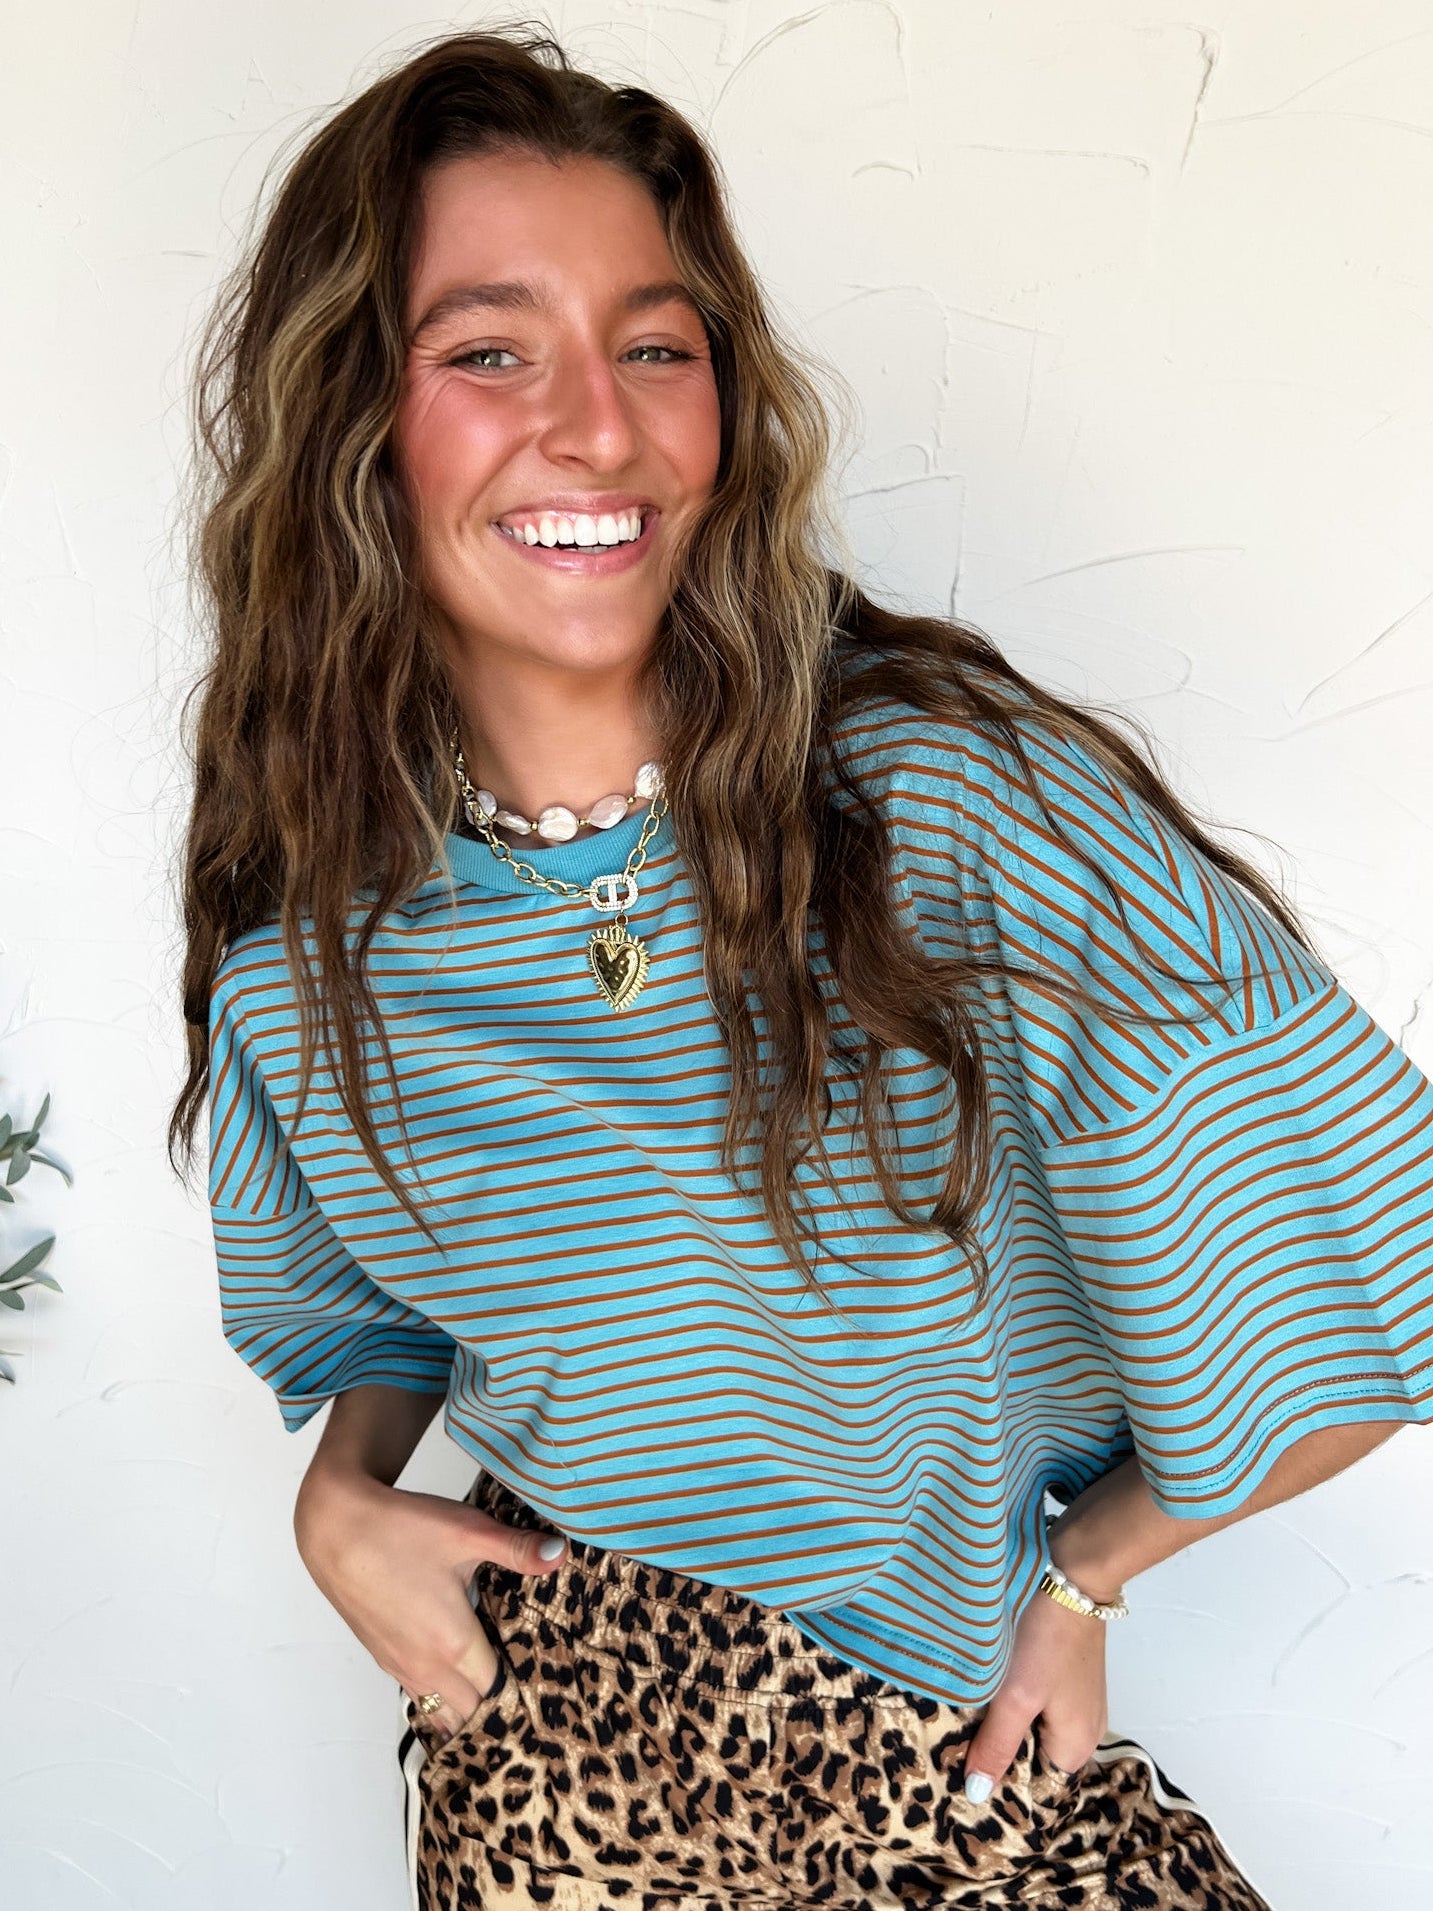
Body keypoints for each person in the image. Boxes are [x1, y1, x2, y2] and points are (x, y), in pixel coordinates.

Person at [170, 26, 1433, 1911]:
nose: (596, 425)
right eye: (489, 349)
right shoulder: (313, 926)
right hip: (540, 1764)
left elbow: (1360, 1259)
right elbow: (382, 1323)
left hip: (940, 1762)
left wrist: (1087, 1577)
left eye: (656, 348)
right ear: (355, 416)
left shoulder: (944, 800)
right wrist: (340, 1502)